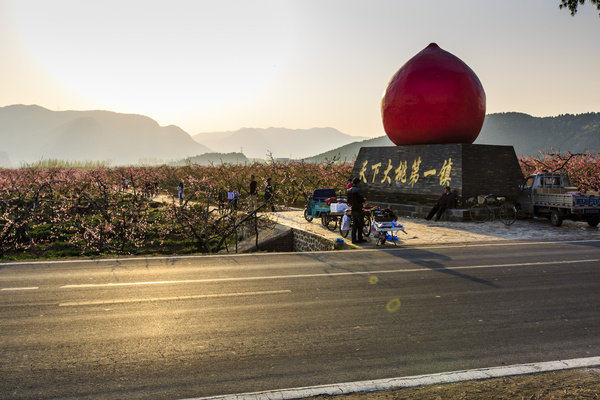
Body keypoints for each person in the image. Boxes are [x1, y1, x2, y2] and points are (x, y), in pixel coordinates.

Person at [347, 177, 366, 244]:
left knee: (355, 225)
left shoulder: (349, 191)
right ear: (357, 183)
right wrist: (364, 200)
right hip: (358, 209)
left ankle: (353, 239)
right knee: (360, 225)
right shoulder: (358, 190)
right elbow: (361, 199)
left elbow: (348, 201)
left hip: (353, 209)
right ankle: (360, 238)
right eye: (359, 183)